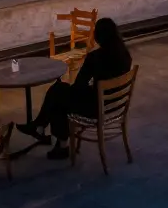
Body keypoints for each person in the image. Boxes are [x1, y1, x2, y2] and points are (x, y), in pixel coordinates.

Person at [16, 18, 133, 160]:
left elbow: (79, 84)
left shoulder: (95, 57)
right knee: (60, 94)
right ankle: (49, 134)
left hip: (95, 108)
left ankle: (46, 131)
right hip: (114, 104)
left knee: (58, 94)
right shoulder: (125, 55)